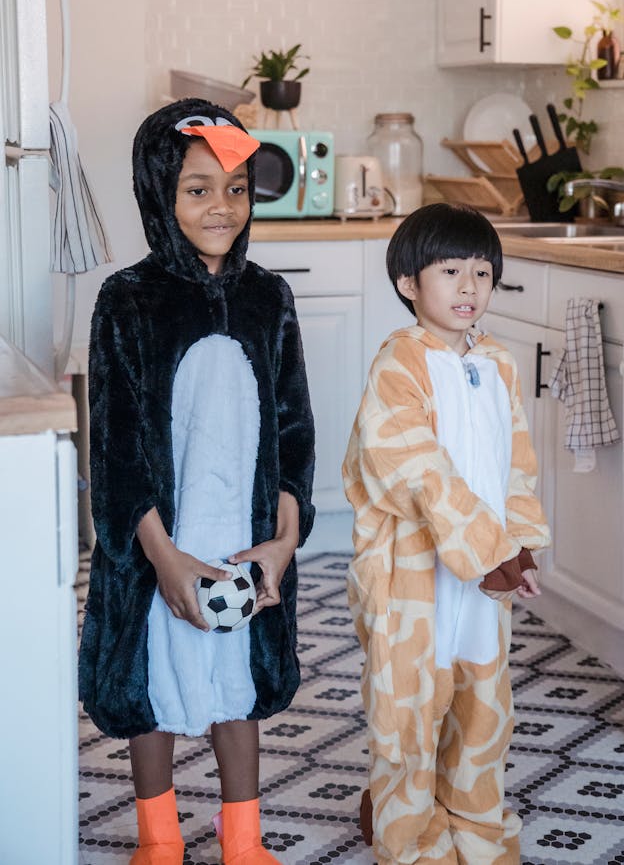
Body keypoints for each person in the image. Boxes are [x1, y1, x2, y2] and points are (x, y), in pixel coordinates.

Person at [78, 99, 315, 865]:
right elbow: (113, 447)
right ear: (160, 194)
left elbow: (291, 433)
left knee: (234, 686)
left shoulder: (269, 299)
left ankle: (243, 837)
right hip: (161, 544)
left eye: (238, 189)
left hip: (245, 541)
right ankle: (159, 836)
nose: (223, 207)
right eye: (198, 188)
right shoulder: (128, 299)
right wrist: (160, 554)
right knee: (153, 686)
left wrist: (281, 543)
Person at [343, 202, 550, 865]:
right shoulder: (399, 363)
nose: (469, 287)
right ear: (408, 282)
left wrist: (517, 546)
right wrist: (486, 551)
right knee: (408, 711)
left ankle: (476, 824)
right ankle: (409, 834)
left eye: (483, 272)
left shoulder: (499, 363)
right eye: (451, 270)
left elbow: (518, 460)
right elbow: (413, 466)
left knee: (482, 705)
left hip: (481, 576)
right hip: (414, 577)